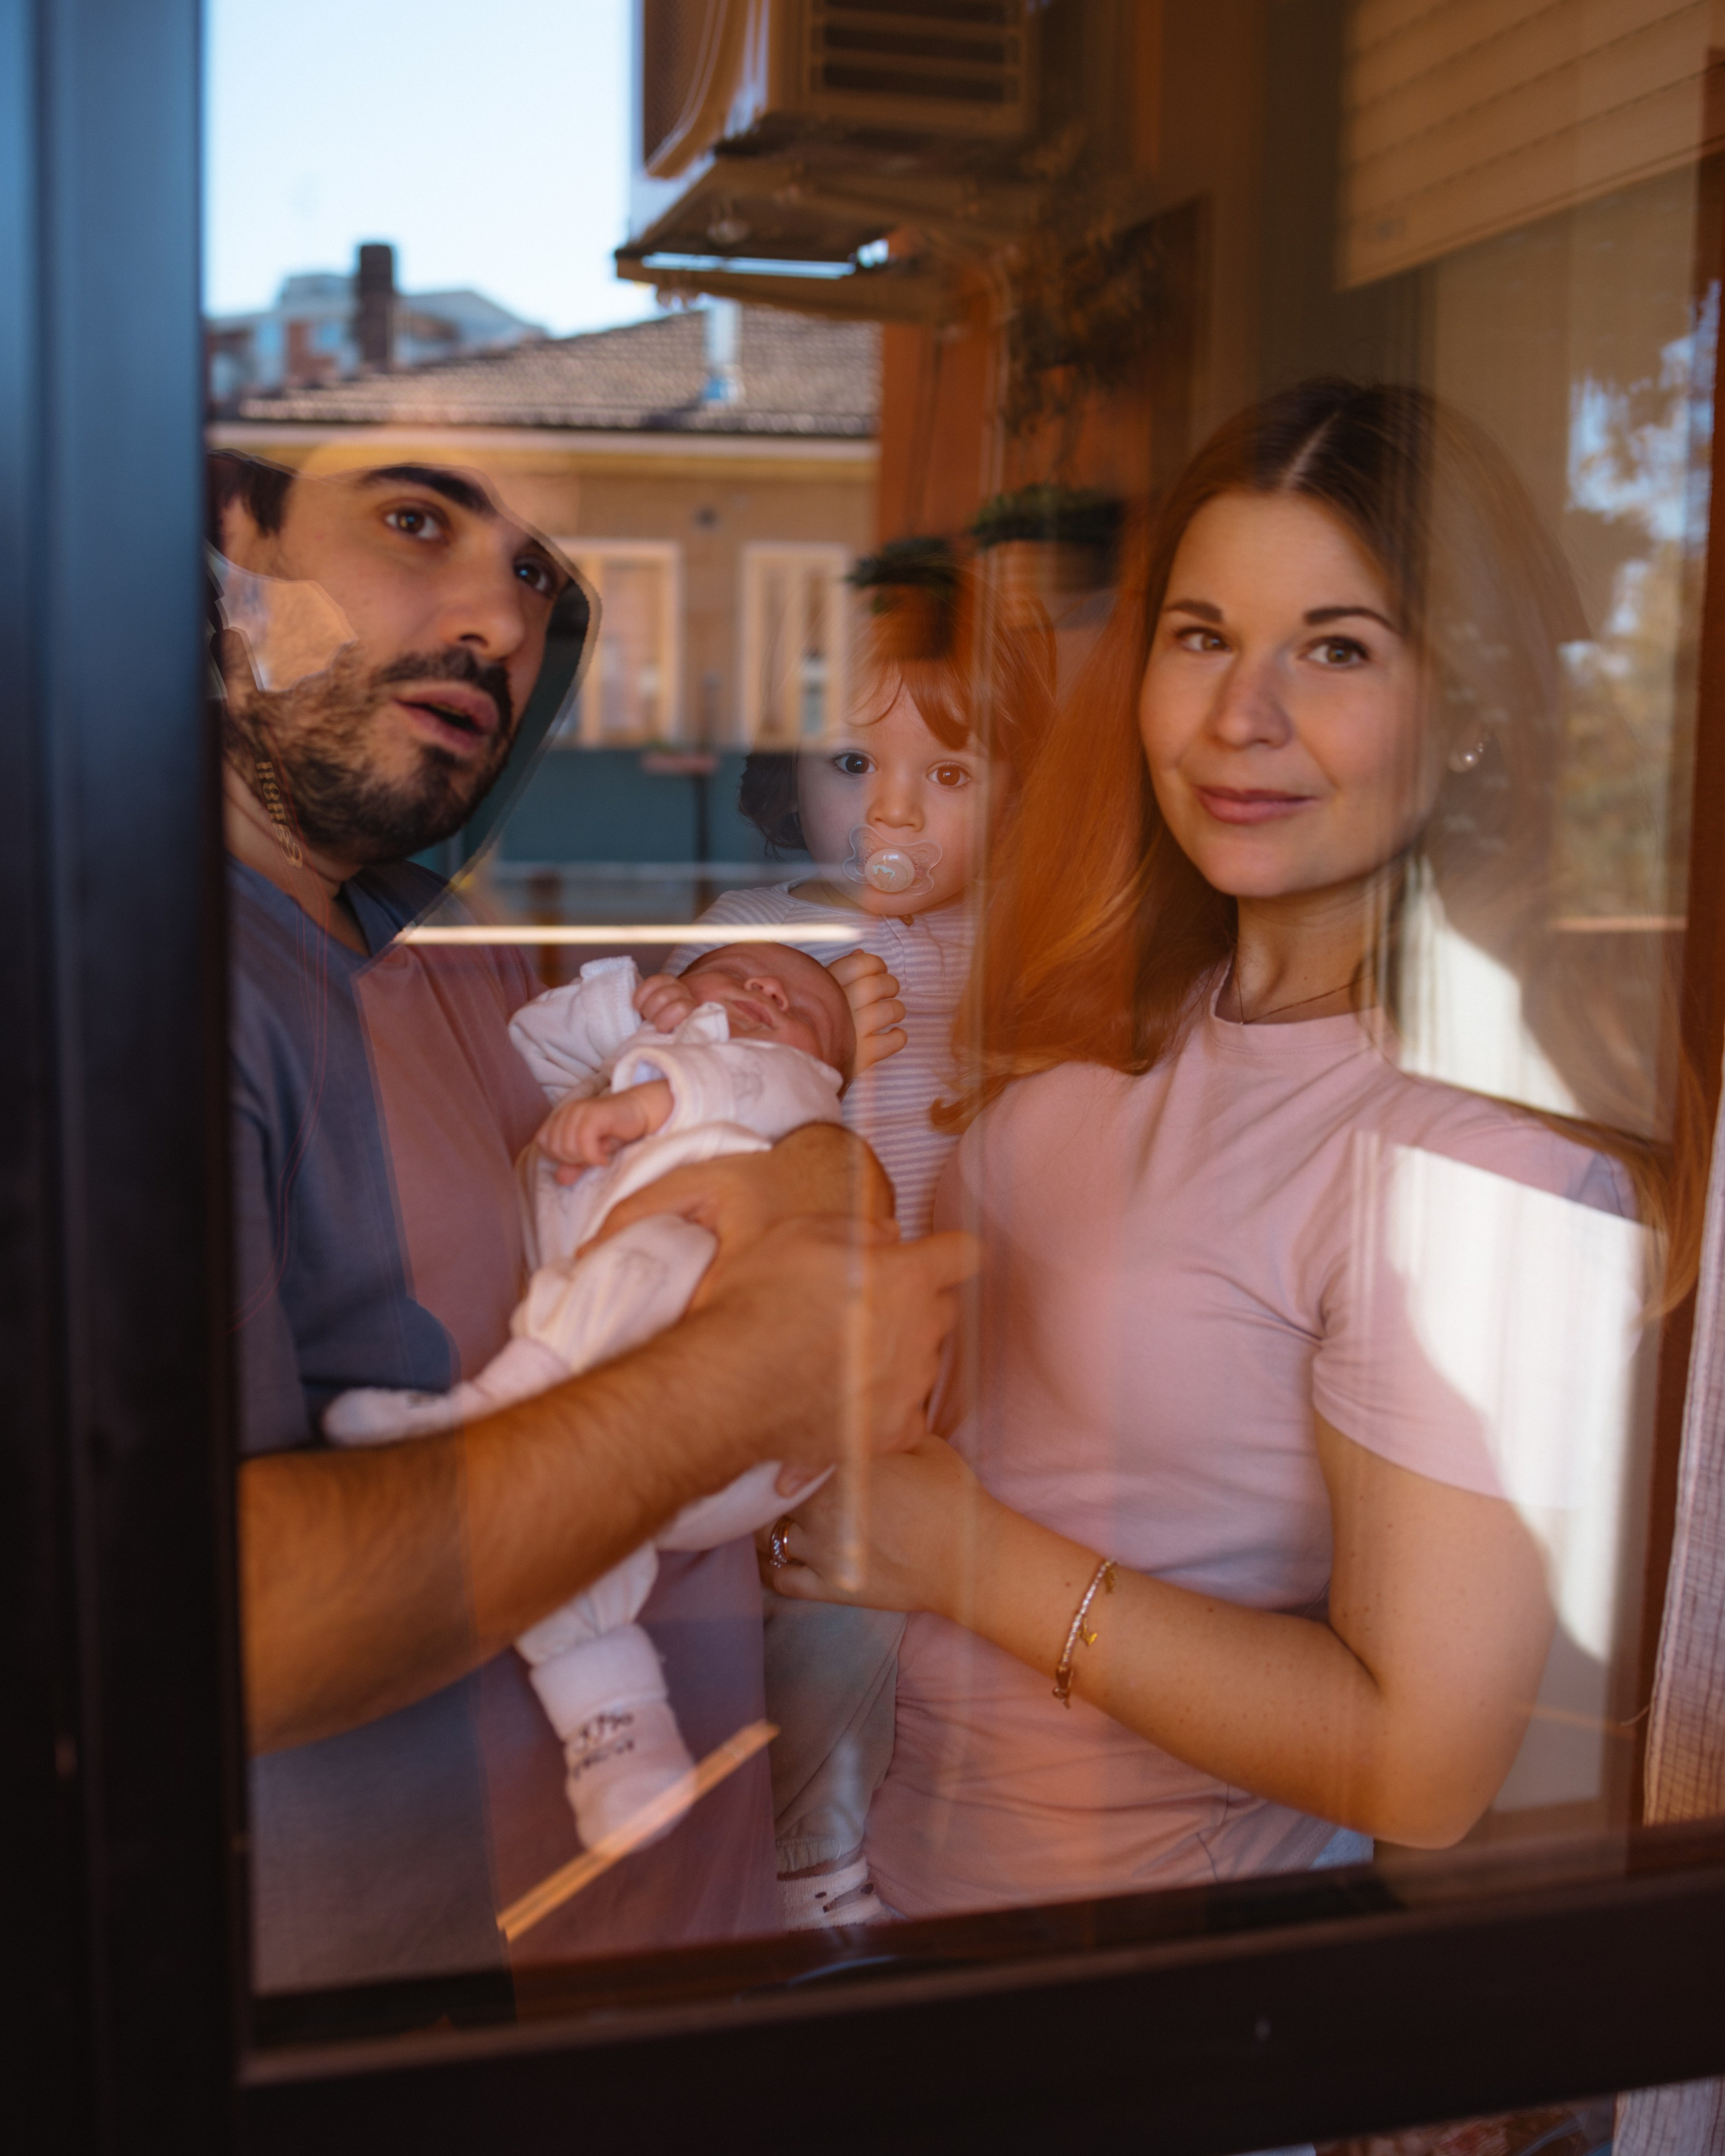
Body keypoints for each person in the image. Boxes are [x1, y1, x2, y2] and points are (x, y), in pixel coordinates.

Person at [767, 380, 1668, 1922]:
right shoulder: (1122, 1012)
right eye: (1201, 637)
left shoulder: (1479, 1163)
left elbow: (1420, 1763)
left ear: (1465, 711)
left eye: (1335, 648)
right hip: (889, 1905)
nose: (1239, 718)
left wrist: (959, 1553)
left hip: (1138, 2010)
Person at [211, 445, 973, 1986]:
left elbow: (766, 1120)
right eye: (416, 522)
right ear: (229, 557)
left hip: (687, 1947)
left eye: (540, 575)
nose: (496, 616)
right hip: (423, 2033)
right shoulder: (135, 994)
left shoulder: (462, 957)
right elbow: (214, 1621)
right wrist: (750, 1368)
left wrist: (813, 1194)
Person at [673, 585, 1052, 1926]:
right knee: (812, 1606)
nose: (889, 815)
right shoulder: (752, 927)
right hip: (799, 1350)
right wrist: (809, 1041)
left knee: (906, 1611)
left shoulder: (1031, 942)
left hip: (973, 1360)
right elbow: (683, 1103)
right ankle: (810, 1867)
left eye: (946, 773)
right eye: (852, 765)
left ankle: (878, 1846)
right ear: (793, 776)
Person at [323, 943, 858, 1856]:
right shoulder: (623, 1062)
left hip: (723, 1352)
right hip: (643, 1429)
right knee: (558, 1531)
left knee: (636, 1270)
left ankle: (482, 1419)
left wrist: (645, 1094)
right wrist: (620, 1013)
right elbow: (531, 1049)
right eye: (740, 974)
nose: (773, 990)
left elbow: (745, 1085)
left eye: (809, 1003)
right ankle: (615, 1732)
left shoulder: (786, 1091)